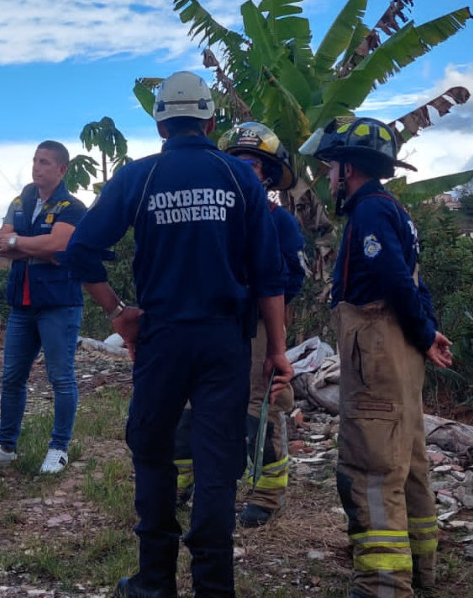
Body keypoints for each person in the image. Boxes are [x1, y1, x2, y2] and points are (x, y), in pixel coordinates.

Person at [64, 72, 294, 598]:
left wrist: (119, 312)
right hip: (224, 343)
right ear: (211, 122)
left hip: (161, 340)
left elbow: (81, 252)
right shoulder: (240, 178)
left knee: (153, 452)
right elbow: (269, 274)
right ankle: (215, 588)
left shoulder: (139, 177)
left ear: (161, 122)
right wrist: (278, 351)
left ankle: (154, 583)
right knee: (217, 465)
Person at [302, 117, 453, 598]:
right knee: (408, 461)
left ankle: (382, 587)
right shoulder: (394, 210)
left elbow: (391, 279)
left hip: (377, 352)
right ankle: (421, 575)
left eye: (330, 169)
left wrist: (424, 330)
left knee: (371, 467)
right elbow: (412, 281)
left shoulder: (368, 214)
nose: (327, 179)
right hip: (400, 352)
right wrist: (427, 332)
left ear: (348, 168)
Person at [172, 122, 306, 528]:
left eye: (252, 165)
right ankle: (187, 480)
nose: (243, 171)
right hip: (213, 322)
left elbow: (292, 281)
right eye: (235, 164)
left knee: (260, 409)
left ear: (266, 174)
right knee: (192, 404)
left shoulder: (279, 222)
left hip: (261, 324)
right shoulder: (211, 217)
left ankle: (266, 494)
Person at [0, 140, 88, 475]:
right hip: (21, 305)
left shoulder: (72, 207)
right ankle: (6, 447)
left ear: (62, 169)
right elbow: (1, 245)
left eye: (46, 162)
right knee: (11, 378)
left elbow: (59, 245)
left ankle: (58, 448)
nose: (37, 167)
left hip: (58, 304)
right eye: (35, 160)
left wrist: (19, 243)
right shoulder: (20, 202)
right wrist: (33, 248)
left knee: (61, 378)